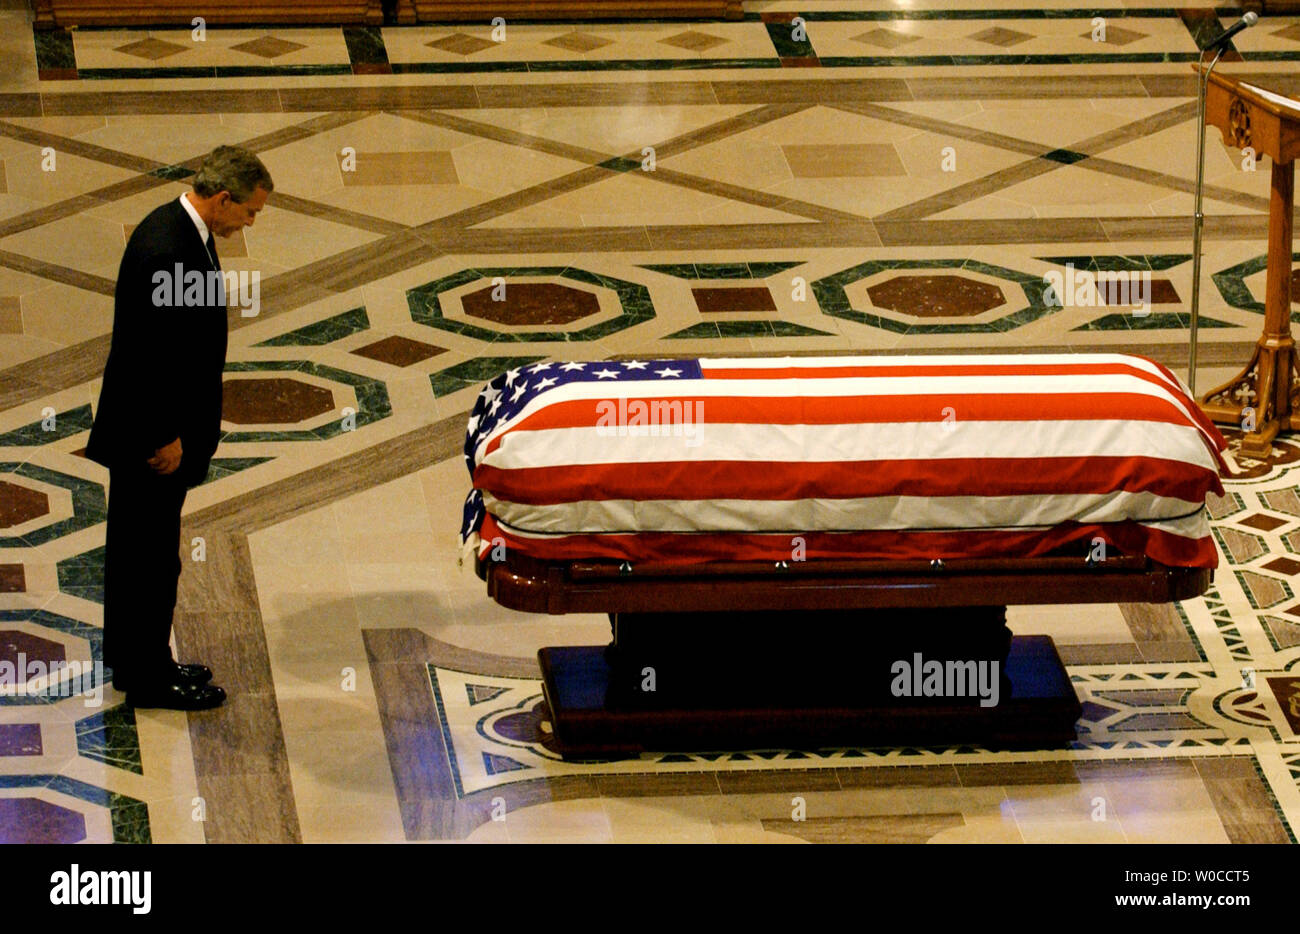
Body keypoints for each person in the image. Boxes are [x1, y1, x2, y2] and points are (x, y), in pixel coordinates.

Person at [86, 146, 273, 710]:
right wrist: (163, 434)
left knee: (146, 552)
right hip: (153, 441)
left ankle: (141, 661)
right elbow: (149, 355)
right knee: (148, 559)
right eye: (250, 212)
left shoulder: (184, 233)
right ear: (223, 199)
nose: (251, 222)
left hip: (160, 432)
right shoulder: (168, 248)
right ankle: (146, 678)